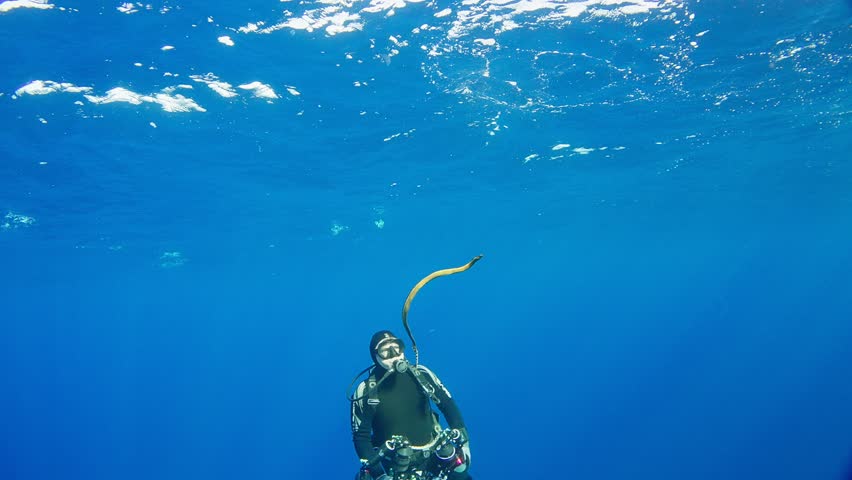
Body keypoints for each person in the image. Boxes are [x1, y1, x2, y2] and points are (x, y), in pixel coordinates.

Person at [351, 330, 472, 480]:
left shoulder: (422, 374)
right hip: (396, 466)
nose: (393, 354)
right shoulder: (365, 391)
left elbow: (447, 404)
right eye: (385, 351)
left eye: (396, 347)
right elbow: (361, 437)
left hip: (436, 454)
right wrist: (380, 475)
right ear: (375, 356)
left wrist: (464, 443)